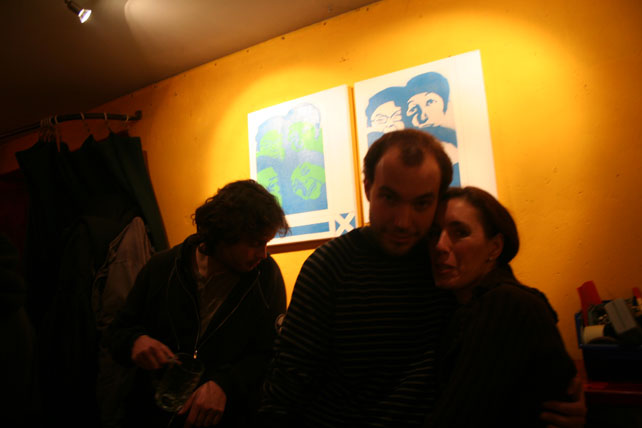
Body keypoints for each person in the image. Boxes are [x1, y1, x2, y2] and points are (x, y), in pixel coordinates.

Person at [258, 129, 585, 427]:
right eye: (390, 198)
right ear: (368, 188)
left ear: (437, 200)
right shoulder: (329, 267)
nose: (403, 221)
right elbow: (287, 386)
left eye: (421, 203)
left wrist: (561, 401)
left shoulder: (447, 266)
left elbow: (506, 334)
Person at [107, 179, 289, 428]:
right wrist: (135, 341)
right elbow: (117, 332)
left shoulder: (266, 276)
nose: (263, 254)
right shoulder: (162, 268)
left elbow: (271, 354)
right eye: (256, 243)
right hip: (152, 415)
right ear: (226, 233)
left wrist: (225, 385)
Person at [425, 186, 580, 427]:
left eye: (460, 233)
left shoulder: (506, 304)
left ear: (495, 247)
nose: (440, 246)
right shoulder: (458, 305)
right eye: (434, 233)